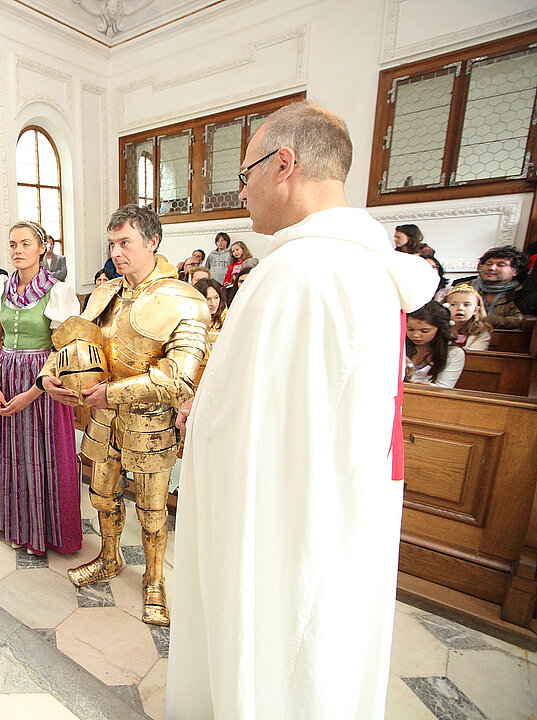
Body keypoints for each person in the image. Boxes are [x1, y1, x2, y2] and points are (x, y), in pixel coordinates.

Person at [166, 101, 437, 719]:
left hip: (285, 517)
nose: (243, 194)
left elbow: (245, 429)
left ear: (282, 164)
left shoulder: (297, 271)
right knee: (325, 649)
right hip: (342, 499)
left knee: (271, 653)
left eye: (244, 175)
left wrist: (199, 420)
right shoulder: (368, 265)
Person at [40, 203, 209, 626]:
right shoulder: (104, 292)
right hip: (103, 421)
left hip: (150, 422)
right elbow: (73, 341)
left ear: (152, 242)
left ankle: (154, 581)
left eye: (125, 243)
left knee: (152, 510)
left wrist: (111, 392)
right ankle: (109, 557)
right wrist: (48, 377)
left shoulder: (183, 299)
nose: (116, 252)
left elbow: (179, 381)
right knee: (101, 495)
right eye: (112, 243)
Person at [0, 220, 81, 556]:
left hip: (43, 381)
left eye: (25, 244)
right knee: (12, 453)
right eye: (12, 244)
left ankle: (46, 530)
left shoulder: (58, 291)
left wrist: (31, 392)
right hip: (6, 376)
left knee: (42, 454)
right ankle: (16, 523)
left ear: (43, 248)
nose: (17, 251)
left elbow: (62, 352)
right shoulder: (2, 288)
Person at [453, 245, 527, 329]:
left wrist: (487, 320)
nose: (491, 268)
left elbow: (521, 320)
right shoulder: (464, 287)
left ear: (515, 271)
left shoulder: (522, 292)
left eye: (500, 265)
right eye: (489, 264)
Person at [406, 301, 465, 388]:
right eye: (410, 329)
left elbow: (445, 387)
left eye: (425, 331)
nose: (416, 335)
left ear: (440, 329)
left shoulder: (453, 353)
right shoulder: (399, 346)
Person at [445, 283, 492, 350]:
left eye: (466, 305)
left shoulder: (481, 333)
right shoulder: (438, 328)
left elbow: (476, 354)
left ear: (476, 310)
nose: (460, 308)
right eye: (454, 304)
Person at [193, 278, 227, 357]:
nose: (213, 303)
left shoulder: (227, 318)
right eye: (208, 299)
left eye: (216, 298)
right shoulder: (192, 319)